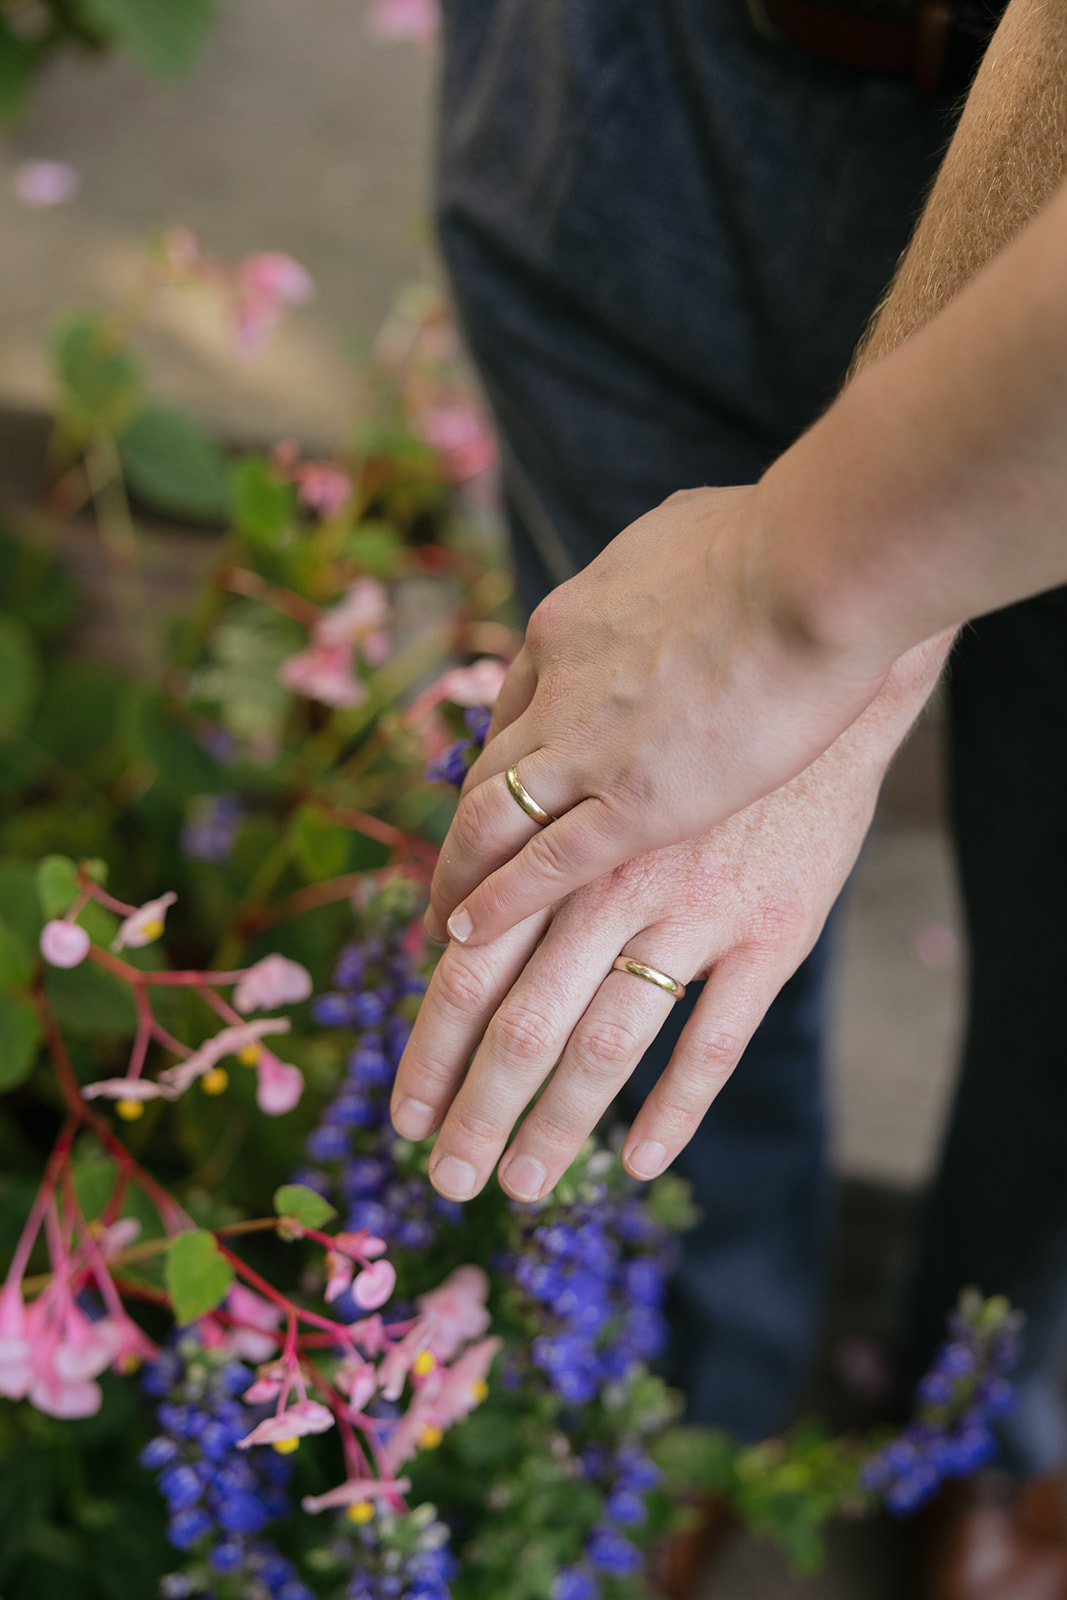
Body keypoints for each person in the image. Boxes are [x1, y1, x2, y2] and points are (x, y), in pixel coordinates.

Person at [396, 1, 1067, 1594]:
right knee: (645, 880)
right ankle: (695, 1382)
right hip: (652, 68)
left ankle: (1006, 1418)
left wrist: (810, 616)